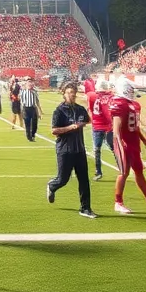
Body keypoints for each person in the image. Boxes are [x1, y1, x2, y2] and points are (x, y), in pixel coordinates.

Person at [109, 80, 146, 214]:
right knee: (124, 172)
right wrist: (120, 142)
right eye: (130, 89)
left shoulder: (133, 104)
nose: (133, 92)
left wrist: (143, 139)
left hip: (133, 142)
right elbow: (116, 127)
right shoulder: (119, 103)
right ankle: (118, 202)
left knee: (139, 171)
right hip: (125, 143)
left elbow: (136, 126)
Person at [45, 83, 96, 218]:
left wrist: (84, 121)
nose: (72, 95)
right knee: (63, 179)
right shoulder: (59, 111)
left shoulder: (80, 109)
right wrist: (70, 127)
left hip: (79, 149)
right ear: (64, 94)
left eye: (73, 92)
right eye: (69, 92)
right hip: (65, 150)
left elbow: (87, 120)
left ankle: (85, 208)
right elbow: (54, 130)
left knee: (84, 180)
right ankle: (52, 186)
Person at [89, 79, 114, 180]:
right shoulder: (111, 96)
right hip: (109, 125)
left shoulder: (91, 96)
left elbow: (90, 110)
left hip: (97, 125)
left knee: (97, 150)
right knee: (114, 149)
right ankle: (122, 168)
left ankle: (98, 172)